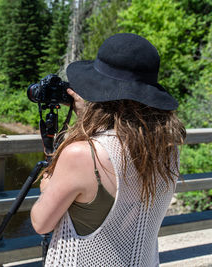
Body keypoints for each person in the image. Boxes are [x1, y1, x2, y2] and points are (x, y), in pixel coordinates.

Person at [30, 33, 186, 266]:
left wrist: (49, 181)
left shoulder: (82, 155)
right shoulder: (167, 149)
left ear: (98, 93)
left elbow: (41, 223)